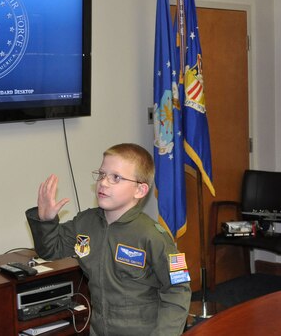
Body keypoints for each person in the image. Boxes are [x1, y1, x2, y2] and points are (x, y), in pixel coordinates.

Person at [26, 143, 191, 335]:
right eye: (102, 175)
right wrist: (46, 222)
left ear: (140, 190)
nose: (103, 183)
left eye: (116, 178)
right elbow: (51, 250)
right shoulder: (85, 223)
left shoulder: (155, 236)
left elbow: (179, 288)